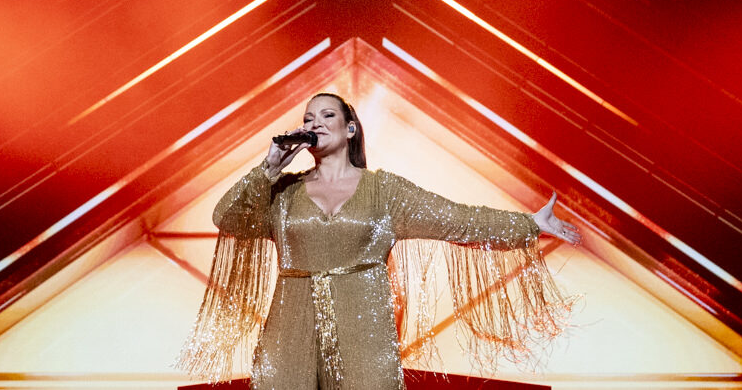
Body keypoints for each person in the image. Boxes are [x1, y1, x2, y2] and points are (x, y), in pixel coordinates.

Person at [177, 92, 579, 388]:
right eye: (307, 117)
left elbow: (456, 219)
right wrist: (267, 169)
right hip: (289, 330)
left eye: (326, 114)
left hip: (363, 330)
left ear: (350, 128)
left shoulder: (385, 192)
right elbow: (226, 217)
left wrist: (529, 223)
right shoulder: (283, 193)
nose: (314, 122)